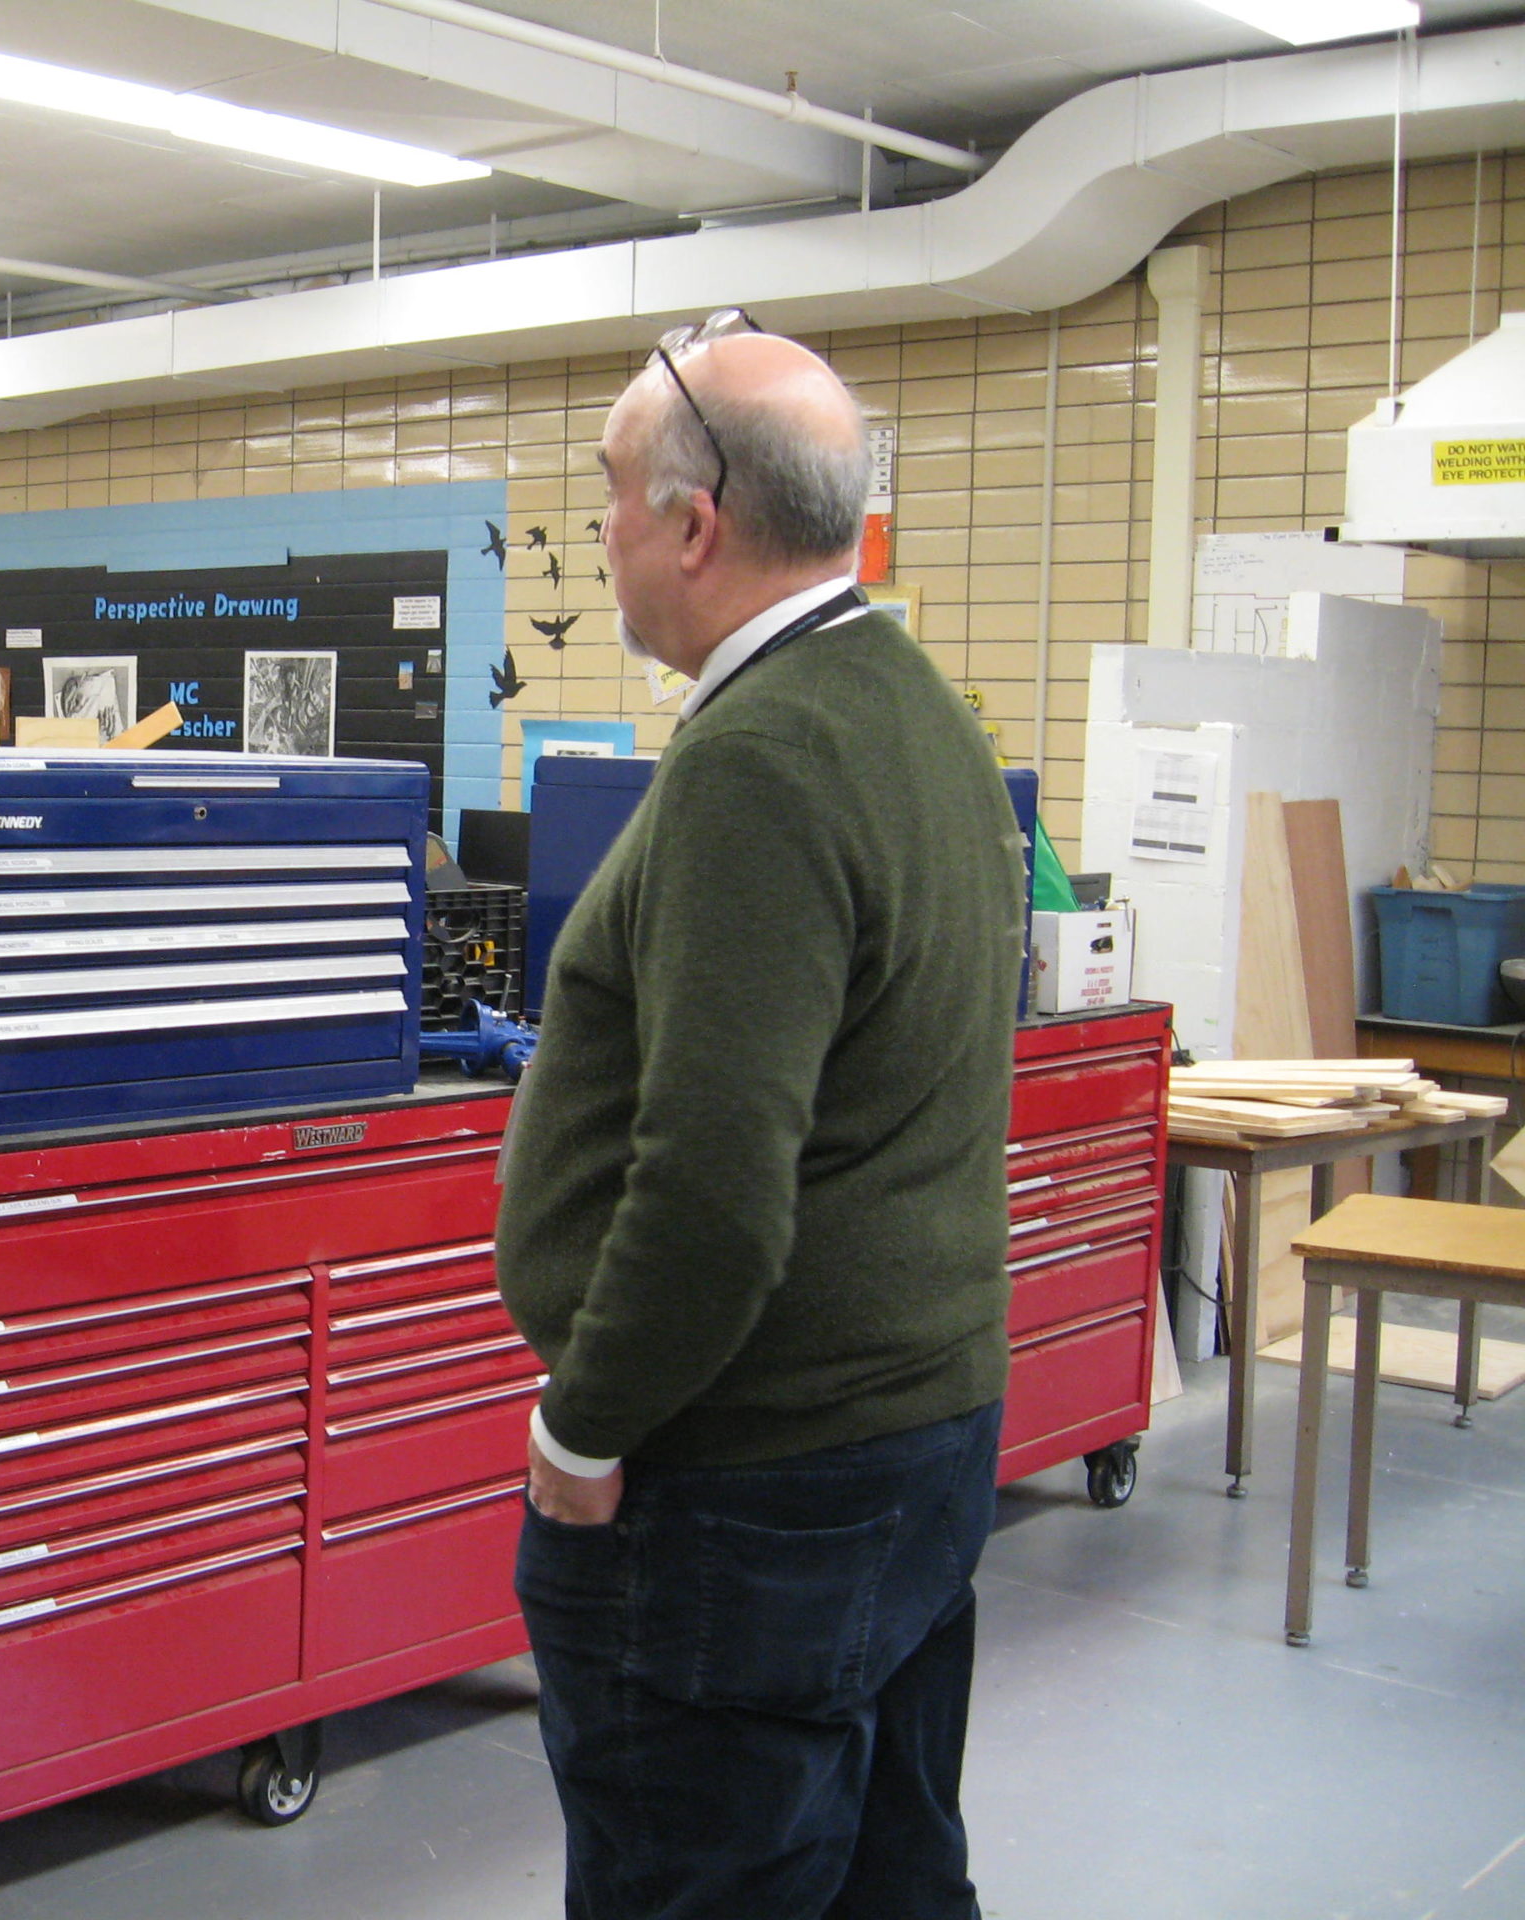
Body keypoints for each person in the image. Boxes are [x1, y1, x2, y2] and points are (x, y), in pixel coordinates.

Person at [496, 316, 1023, 1920]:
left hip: (749, 1486)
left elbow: (716, 1185)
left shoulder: (761, 762)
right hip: (911, 1442)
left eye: (605, 495)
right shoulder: (908, 703)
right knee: (890, 1875)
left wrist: (585, 1427)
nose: (597, 531)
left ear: (692, 524)